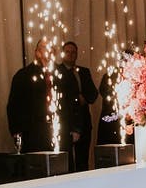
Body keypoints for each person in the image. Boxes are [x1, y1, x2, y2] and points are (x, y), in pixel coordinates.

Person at [7, 39, 64, 154]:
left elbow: (71, 102)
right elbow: (14, 105)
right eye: (44, 47)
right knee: (37, 165)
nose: (49, 50)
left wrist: (75, 128)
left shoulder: (63, 74)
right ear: (37, 52)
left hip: (60, 129)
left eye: (51, 48)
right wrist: (16, 130)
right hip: (33, 131)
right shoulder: (23, 75)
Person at [59, 40, 98, 171]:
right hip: (66, 122)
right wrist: (77, 97)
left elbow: (93, 94)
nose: (70, 55)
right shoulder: (57, 72)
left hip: (84, 122)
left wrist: (84, 98)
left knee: (83, 161)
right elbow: (61, 95)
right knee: (67, 161)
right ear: (62, 54)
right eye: (67, 52)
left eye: (73, 52)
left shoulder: (84, 72)